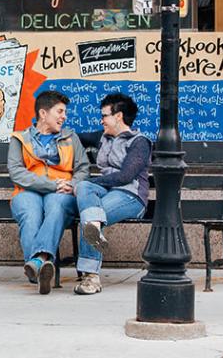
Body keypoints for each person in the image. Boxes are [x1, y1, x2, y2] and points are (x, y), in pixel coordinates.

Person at [8, 90, 89, 294]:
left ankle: (37, 262)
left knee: (56, 206)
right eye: (60, 111)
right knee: (30, 213)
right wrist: (52, 185)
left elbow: (83, 169)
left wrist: (71, 185)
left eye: (65, 112)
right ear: (43, 114)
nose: (64, 116)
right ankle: (40, 264)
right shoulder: (20, 139)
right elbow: (17, 173)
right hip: (28, 190)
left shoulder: (71, 138)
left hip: (62, 192)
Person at [72, 93, 152, 296]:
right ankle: (93, 232)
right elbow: (74, 137)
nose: (102, 120)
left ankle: (90, 278)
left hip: (130, 195)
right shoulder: (103, 137)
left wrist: (93, 182)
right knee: (84, 191)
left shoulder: (139, 142)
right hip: (105, 191)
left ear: (118, 116)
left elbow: (126, 176)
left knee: (90, 218)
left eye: (104, 115)